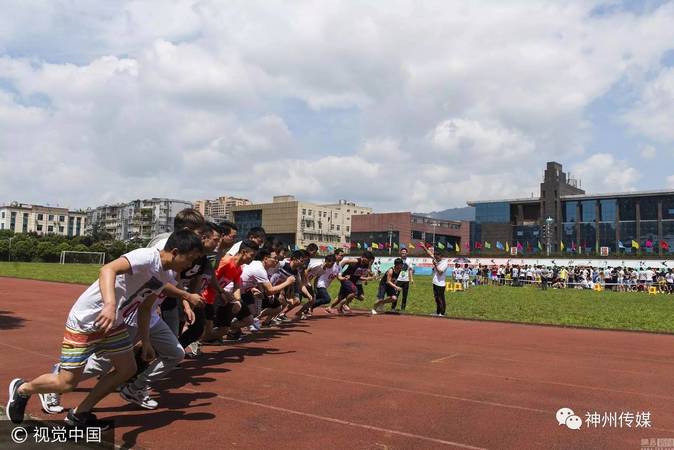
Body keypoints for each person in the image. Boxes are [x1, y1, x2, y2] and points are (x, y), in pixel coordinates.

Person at [7, 230, 203, 427]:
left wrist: (146, 342)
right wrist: (110, 304)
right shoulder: (146, 256)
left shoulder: (166, 274)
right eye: (190, 259)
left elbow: (145, 308)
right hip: (86, 319)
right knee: (66, 383)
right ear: (176, 251)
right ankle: (22, 389)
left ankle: (80, 414)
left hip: (114, 322)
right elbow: (107, 270)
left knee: (127, 369)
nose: (190, 265)